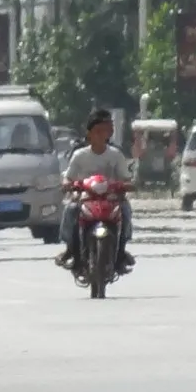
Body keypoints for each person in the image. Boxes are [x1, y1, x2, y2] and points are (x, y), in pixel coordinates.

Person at [57, 107, 136, 272]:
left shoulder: (116, 155)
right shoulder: (79, 155)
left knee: (126, 211)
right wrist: (67, 184)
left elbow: (126, 178)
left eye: (105, 131)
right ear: (89, 134)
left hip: (111, 199)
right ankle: (71, 250)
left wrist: (126, 185)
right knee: (70, 210)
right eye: (98, 131)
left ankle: (120, 252)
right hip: (85, 198)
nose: (101, 135)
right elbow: (69, 177)